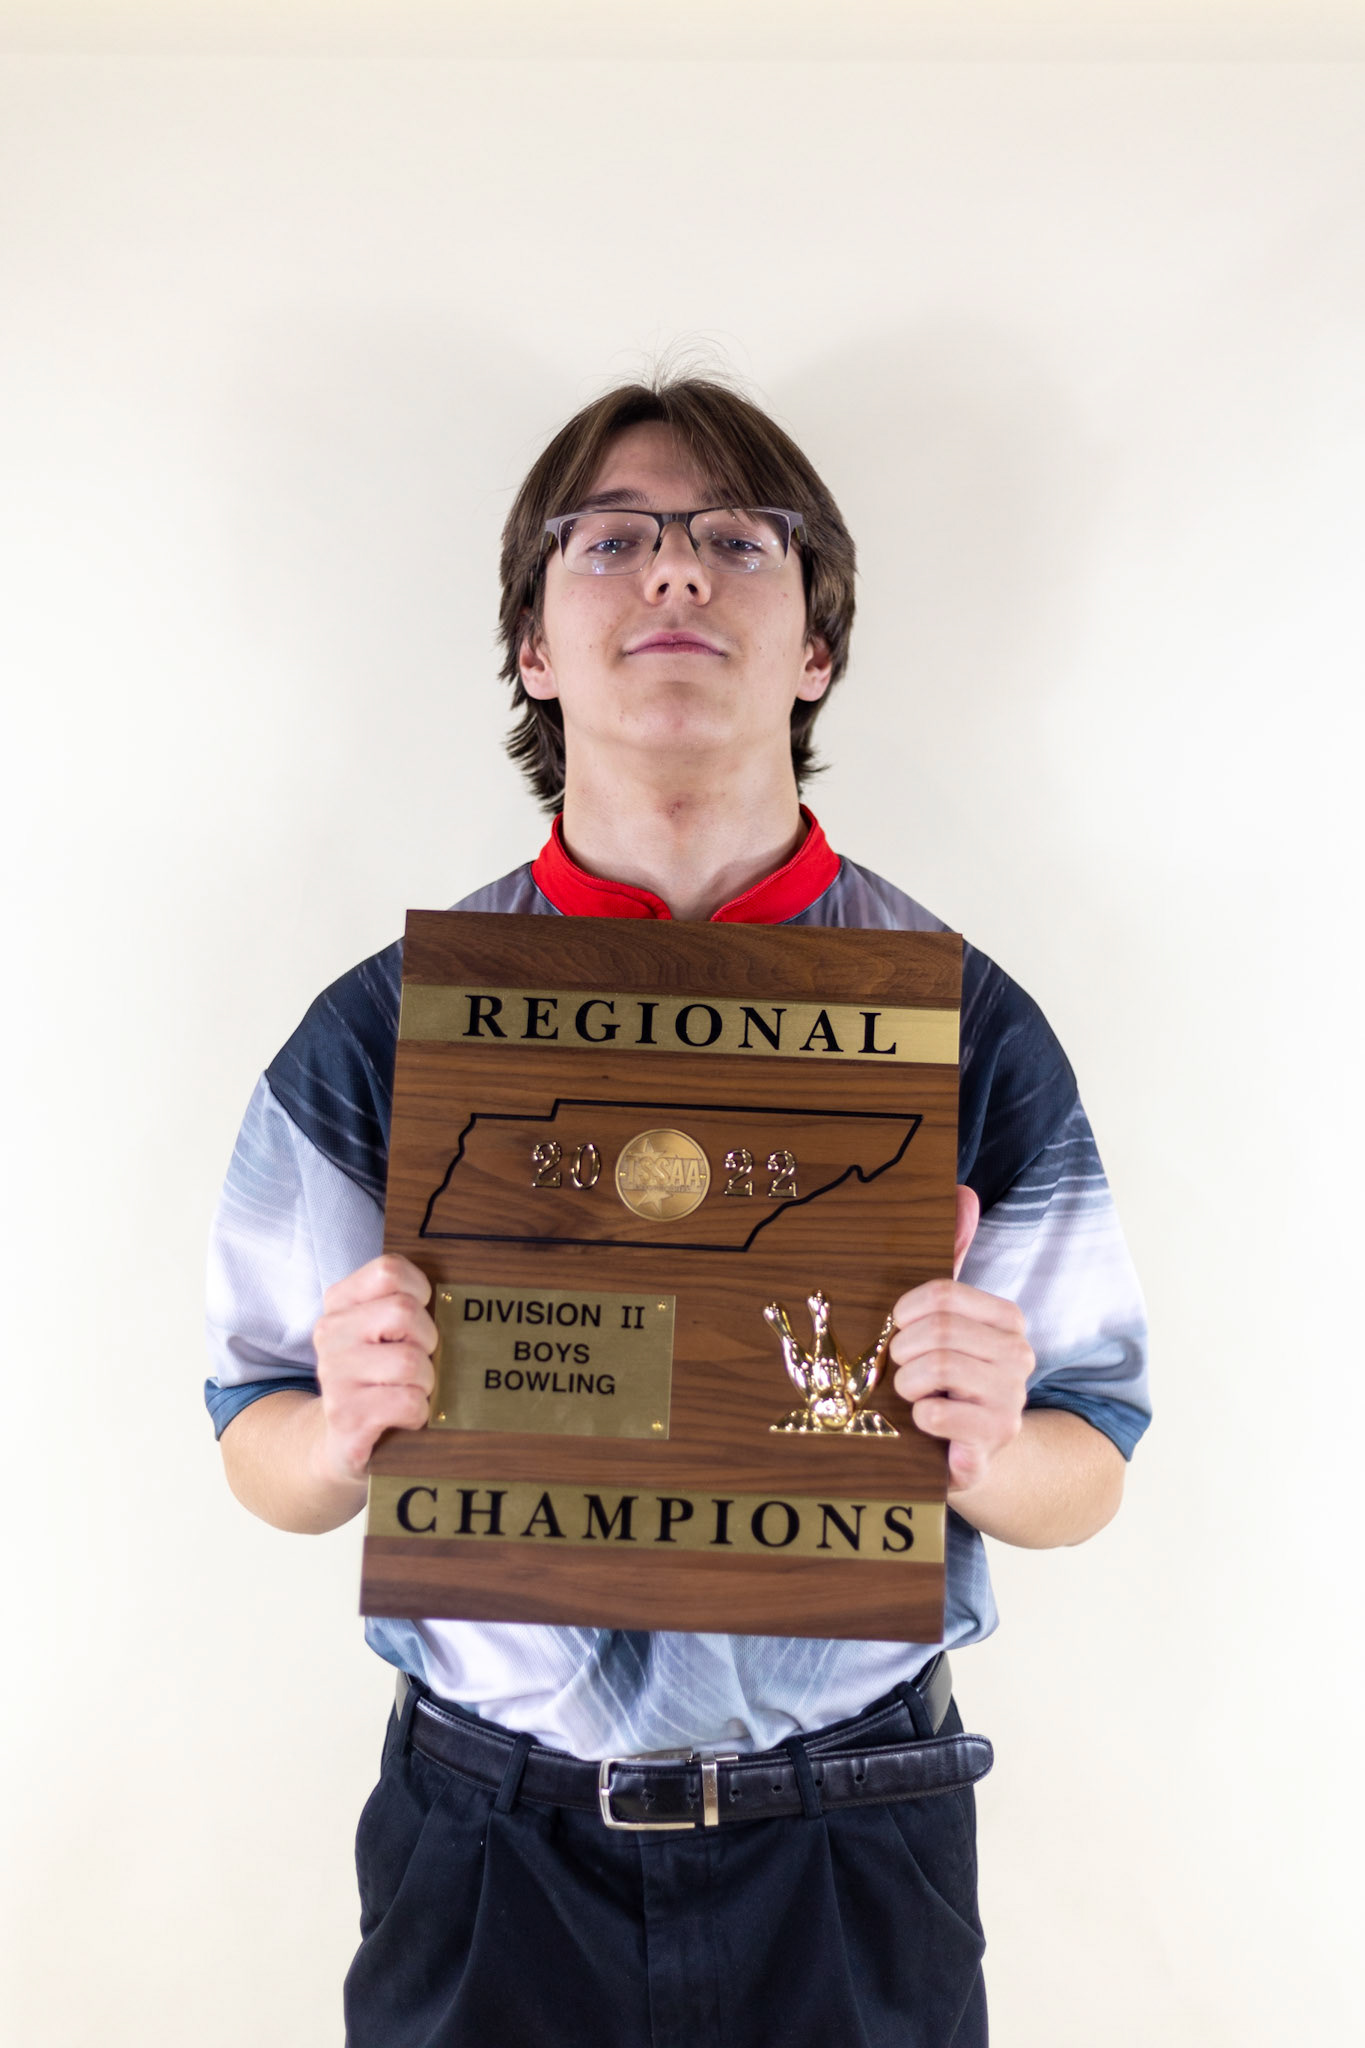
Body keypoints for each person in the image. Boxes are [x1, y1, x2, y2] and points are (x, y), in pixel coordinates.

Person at [206, 375, 1149, 2047]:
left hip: (852, 1832)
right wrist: (341, 1429)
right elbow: (257, 1446)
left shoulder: (963, 1027)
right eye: (612, 538)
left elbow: (1086, 1467)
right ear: (533, 646)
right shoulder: (388, 1026)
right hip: (487, 1846)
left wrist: (995, 1440)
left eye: (736, 537)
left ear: (813, 649)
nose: (675, 573)